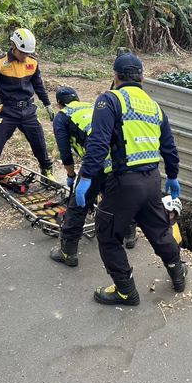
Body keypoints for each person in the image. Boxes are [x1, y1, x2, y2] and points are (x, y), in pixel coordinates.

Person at [76, 52, 185, 306]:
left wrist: (86, 178)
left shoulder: (110, 100)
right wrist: (173, 177)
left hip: (124, 183)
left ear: (115, 77)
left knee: (107, 234)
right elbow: (169, 147)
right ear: (142, 79)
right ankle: (178, 274)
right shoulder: (154, 107)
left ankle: (125, 290)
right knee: (159, 231)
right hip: (152, 182)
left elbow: (98, 143)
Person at [49, 86, 137, 266]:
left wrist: (71, 175)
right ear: (77, 98)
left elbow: (65, 152)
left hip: (96, 161)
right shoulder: (92, 106)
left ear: (59, 103)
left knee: (78, 205)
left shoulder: (62, 116)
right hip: (120, 157)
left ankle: (68, 252)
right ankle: (129, 235)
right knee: (120, 198)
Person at [0, 28, 56, 202]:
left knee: (39, 142)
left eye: (28, 53)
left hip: (28, 111)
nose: (25, 56)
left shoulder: (32, 63)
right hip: (8, 111)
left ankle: (47, 171)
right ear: (14, 46)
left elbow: (38, 86)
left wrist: (47, 104)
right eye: (22, 52)